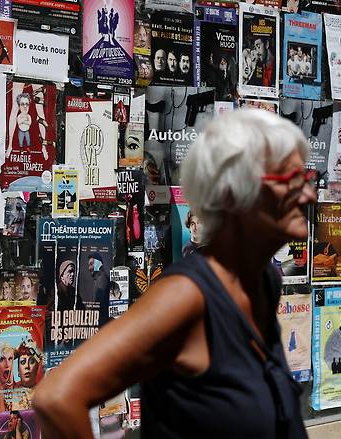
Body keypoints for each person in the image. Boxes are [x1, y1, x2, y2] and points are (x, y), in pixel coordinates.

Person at [33, 109, 312, 438]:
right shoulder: (187, 296)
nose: (307, 194)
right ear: (235, 194)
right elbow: (57, 397)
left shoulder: (263, 281)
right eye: (291, 182)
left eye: (307, 180)